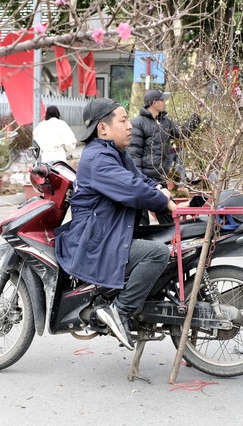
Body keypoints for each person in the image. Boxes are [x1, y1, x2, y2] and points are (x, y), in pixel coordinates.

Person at [55, 98, 177, 350]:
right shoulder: (98, 158)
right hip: (96, 241)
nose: (130, 125)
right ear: (103, 129)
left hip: (112, 232)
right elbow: (132, 190)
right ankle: (119, 312)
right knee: (157, 253)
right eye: (123, 120)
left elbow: (139, 179)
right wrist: (162, 201)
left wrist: (159, 188)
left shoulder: (116, 153)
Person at [128, 89, 201, 224]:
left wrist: (196, 117)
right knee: (141, 219)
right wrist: (137, 179)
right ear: (154, 103)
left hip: (160, 177)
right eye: (162, 100)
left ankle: (173, 240)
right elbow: (134, 154)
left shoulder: (165, 122)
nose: (164, 102)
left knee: (168, 217)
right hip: (144, 178)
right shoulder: (138, 123)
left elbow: (181, 133)